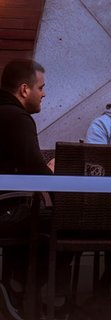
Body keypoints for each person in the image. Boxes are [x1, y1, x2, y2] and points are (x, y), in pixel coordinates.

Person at [1, 60, 49, 320]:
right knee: (66, 222)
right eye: (40, 87)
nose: (44, 93)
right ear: (23, 89)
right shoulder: (16, 118)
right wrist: (52, 168)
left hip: (7, 205)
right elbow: (39, 174)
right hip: (5, 211)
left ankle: (14, 283)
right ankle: (20, 287)